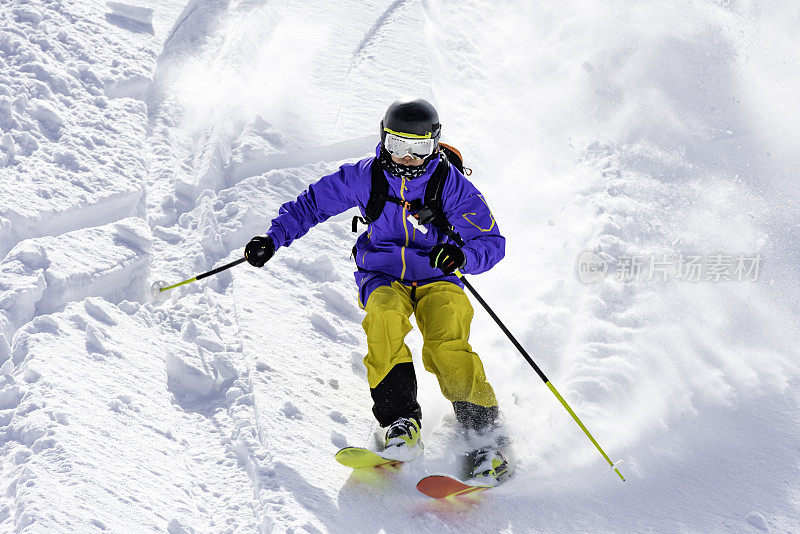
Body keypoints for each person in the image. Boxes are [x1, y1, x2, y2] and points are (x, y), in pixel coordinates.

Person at [244, 98, 509, 481]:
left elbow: (490, 242)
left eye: (419, 148)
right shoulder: (365, 177)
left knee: (446, 339)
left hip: (438, 276)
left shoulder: (451, 186)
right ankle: (401, 422)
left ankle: (485, 437)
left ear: (435, 145)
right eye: (398, 145)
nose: (407, 157)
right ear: (383, 139)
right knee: (383, 317)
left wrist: (461, 256)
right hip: (383, 273)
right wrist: (273, 238)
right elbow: (311, 205)